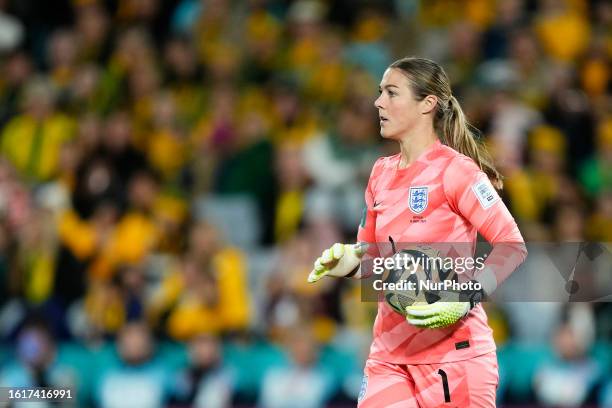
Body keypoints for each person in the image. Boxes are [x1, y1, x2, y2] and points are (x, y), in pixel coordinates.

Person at [308, 57, 527, 407]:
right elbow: (375, 263)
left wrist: (463, 297)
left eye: (391, 93)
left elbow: (512, 246)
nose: (379, 102)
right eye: (380, 93)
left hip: (455, 356)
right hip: (389, 356)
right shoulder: (380, 173)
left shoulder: (458, 172)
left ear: (428, 104)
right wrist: (350, 261)